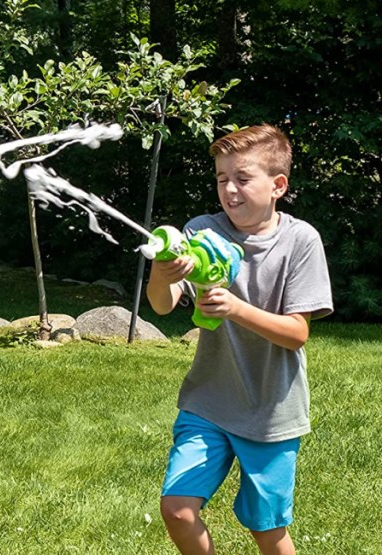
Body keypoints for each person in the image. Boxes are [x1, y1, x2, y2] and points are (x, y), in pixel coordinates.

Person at [146, 124, 333, 555]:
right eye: (220, 179)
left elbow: (297, 334)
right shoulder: (202, 232)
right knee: (177, 508)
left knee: (266, 529)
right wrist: (163, 270)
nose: (229, 189)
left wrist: (236, 308)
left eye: (242, 179)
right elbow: (161, 304)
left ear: (278, 185)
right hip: (208, 402)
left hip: (271, 413)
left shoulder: (300, 242)